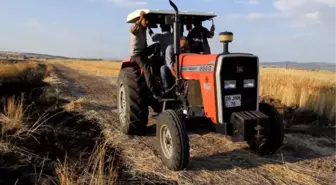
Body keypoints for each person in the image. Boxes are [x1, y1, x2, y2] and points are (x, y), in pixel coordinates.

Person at [130, 11, 162, 98]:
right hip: (137, 54)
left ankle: (155, 61)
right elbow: (132, 29)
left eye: (148, 21)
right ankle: (154, 92)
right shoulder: (136, 29)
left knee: (158, 45)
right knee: (147, 68)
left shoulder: (145, 28)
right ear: (141, 20)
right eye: (146, 20)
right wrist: (140, 18)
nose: (147, 22)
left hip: (144, 51)